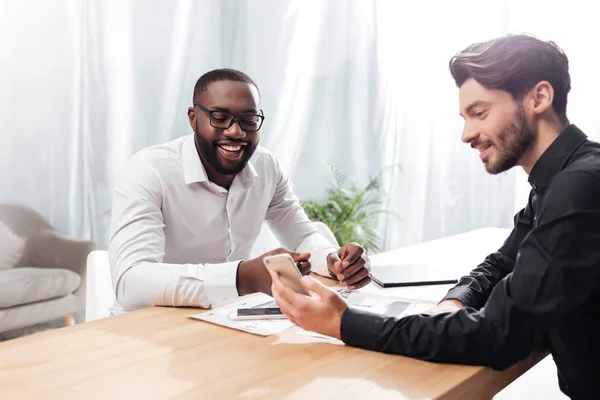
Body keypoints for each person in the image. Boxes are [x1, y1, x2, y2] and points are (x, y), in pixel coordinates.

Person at [270, 35, 600, 398]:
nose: (467, 134)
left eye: (480, 112)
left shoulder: (580, 187)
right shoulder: (557, 181)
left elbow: (497, 335)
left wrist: (344, 323)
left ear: (539, 98)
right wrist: (454, 302)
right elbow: (501, 263)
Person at [108, 68, 371, 313]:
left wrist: (333, 260)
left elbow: (301, 236)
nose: (236, 132)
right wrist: (241, 277)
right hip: (153, 329)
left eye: (248, 120)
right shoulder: (147, 172)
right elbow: (130, 283)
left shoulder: (266, 166)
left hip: (231, 318)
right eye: (220, 118)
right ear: (193, 118)